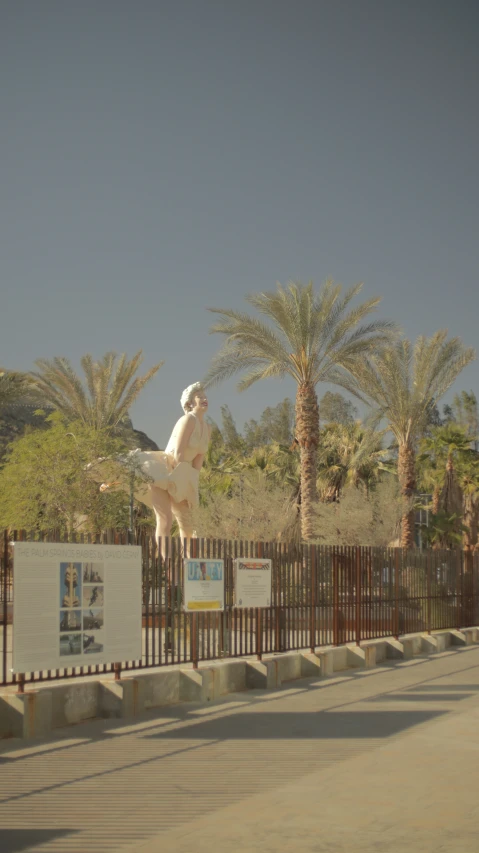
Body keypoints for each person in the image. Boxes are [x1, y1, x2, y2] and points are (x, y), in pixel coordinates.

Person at [96, 382, 211, 549]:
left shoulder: (207, 428)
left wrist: (190, 486)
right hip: (164, 470)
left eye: (205, 396)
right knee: (165, 519)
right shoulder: (187, 420)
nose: (205, 399)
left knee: (187, 523)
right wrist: (179, 483)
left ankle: (188, 562)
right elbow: (178, 453)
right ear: (190, 403)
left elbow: (198, 461)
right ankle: (166, 563)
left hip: (183, 473)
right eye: (200, 397)